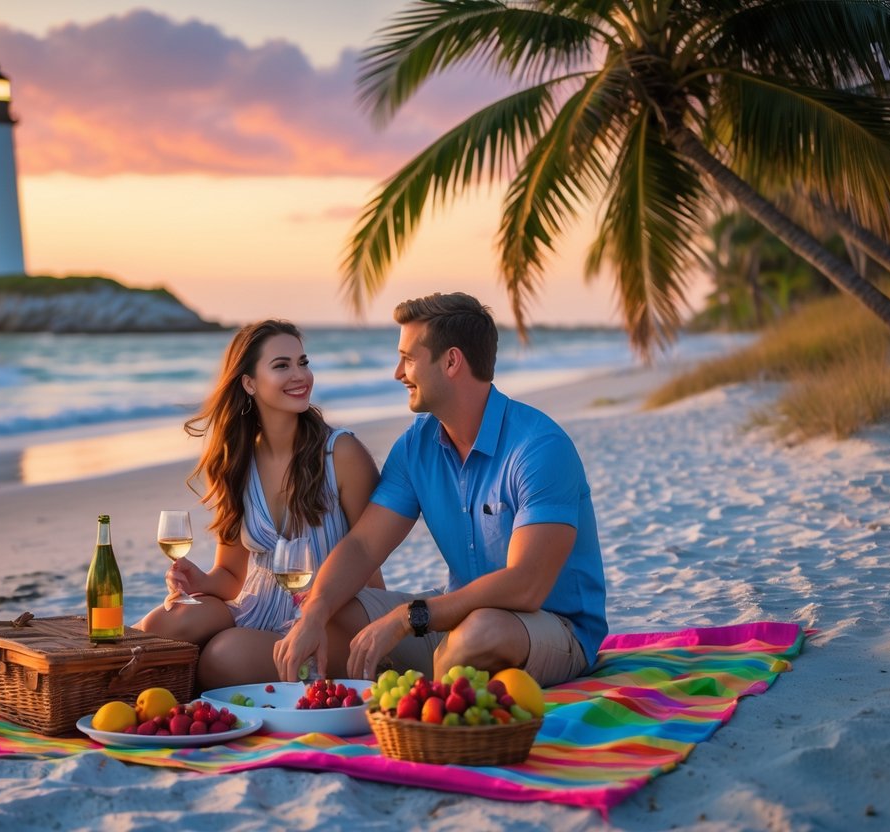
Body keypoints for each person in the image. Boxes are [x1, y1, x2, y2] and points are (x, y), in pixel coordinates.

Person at [273, 292, 607, 688]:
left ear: (451, 361)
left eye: (409, 359)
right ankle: (414, 688)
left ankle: (423, 691)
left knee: (481, 632)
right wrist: (314, 611)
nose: (398, 373)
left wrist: (407, 618)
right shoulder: (417, 446)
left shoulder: (538, 448)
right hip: (458, 614)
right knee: (336, 610)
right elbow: (363, 546)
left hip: (552, 627)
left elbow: (527, 585)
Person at [136, 320, 385, 688]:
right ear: (249, 383)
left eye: (303, 362)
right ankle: (100, 677)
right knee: (164, 624)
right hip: (256, 608)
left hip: (328, 617)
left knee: (222, 656)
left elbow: (370, 569)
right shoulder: (236, 463)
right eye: (282, 365)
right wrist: (198, 579)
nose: (300, 375)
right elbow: (232, 575)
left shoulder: (342, 454)